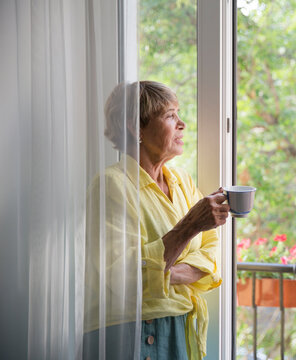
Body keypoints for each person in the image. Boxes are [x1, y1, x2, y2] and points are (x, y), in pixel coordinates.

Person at [83, 81, 229, 360]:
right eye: (171, 115)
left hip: (179, 324)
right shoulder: (111, 185)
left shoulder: (182, 181)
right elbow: (122, 277)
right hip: (131, 331)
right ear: (135, 128)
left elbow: (212, 251)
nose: (182, 124)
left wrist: (165, 273)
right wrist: (189, 227)